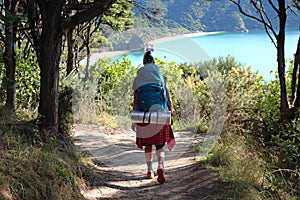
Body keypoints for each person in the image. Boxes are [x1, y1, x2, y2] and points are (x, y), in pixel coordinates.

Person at [132, 50, 176, 184]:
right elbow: (168, 98)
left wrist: (135, 118)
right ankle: (160, 166)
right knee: (160, 145)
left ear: (143, 64)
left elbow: (136, 99)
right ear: (154, 63)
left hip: (144, 115)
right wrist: (171, 111)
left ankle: (150, 170)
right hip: (159, 114)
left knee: (148, 145)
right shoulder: (161, 77)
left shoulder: (138, 78)